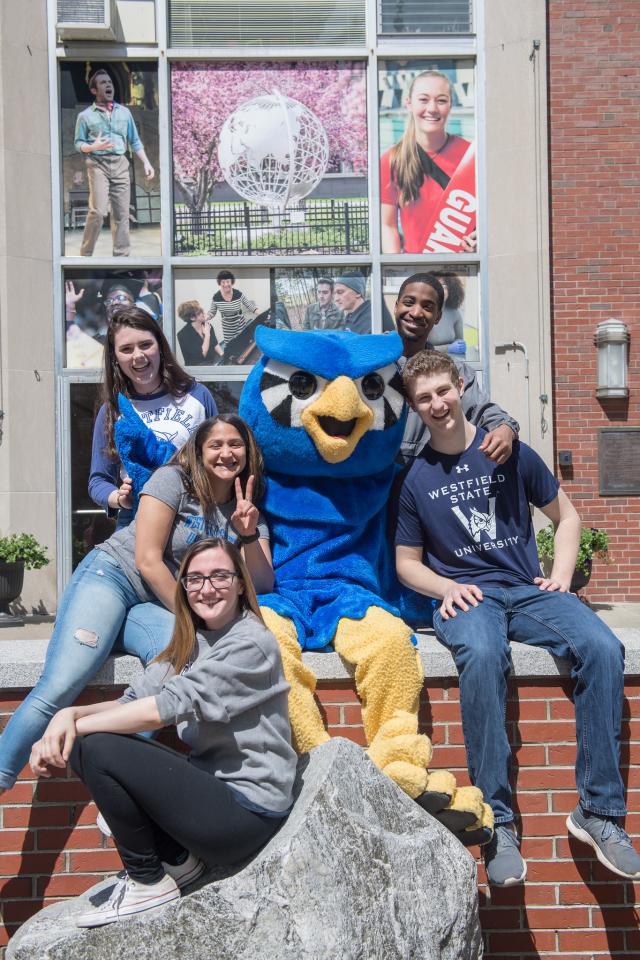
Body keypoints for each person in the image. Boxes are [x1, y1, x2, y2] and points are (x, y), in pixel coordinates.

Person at [395, 350, 640, 886]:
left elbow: (567, 516)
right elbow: (406, 564)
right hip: (467, 599)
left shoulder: (508, 451)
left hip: (527, 590)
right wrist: (447, 587)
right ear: (415, 407)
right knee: (482, 657)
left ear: (461, 385)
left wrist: (563, 575)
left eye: (444, 390)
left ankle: (599, 813)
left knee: (602, 648)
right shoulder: (416, 478)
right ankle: (497, 823)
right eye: (425, 398)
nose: (437, 404)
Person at [0, 413, 273, 796]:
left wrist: (246, 535)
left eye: (235, 445)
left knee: (174, 673)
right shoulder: (174, 480)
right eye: (216, 444)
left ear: (249, 452)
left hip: (153, 605)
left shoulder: (247, 506)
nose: (226, 453)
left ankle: (122, 785)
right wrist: (191, 619)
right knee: (63, 682)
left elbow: (260, 582)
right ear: (199, 450)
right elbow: (146, 559)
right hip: (113, 578)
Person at [29, 537, 295, 927]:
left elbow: (162, 710)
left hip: (248, 812)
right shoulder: (190, 642)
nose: (207, 588)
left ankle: (148, 880)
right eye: (195, 579)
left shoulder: (251, 642)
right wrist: (67, 714)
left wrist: (73, 730)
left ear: (241, 583)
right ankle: (176, 861)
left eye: (220, 575)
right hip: (216, 795)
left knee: (97, 747)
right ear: (183, 588)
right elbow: (133, 700)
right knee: (96, 742)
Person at [89, 306, 217, 529]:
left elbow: (216, 460)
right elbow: (98, 480)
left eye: (146, 344)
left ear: (160, 346)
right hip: (135, 518)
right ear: (115, 357)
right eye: (126, 349)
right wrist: (119, 498)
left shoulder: (197, 396)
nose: (138, 355)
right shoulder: (111, 411)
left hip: (193, 514)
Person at [393, 273, 519, 464]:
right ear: (396, 306)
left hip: (424, 485)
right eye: (409, 302)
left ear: (438, 317)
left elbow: (483, 410)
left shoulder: (453, 371)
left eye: (427, 307)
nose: (416, 312)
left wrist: (505, 428)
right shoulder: (369, 364)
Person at [380, 70, 476, 255]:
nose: (432, 108)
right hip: (416, 276)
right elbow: (387, 226)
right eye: (423, 100)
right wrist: (397, 273)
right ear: (409, 103)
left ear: (450, 105)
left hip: (464, 272)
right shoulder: (391, 160)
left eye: (441, 100)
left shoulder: (472, 156)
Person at [74, 69, 154, 258]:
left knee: (122, 214)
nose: (108, 85)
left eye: (109, 81)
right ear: (94, 90)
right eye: (103, 83)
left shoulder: (124, 113)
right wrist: (92, 147)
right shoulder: (85, 116)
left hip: (120, 163)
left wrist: (147, 163)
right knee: (98, 212)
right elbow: (78, 143)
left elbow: (134, 141)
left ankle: (122, 257)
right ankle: (85, 255)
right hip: (97, 163)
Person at [206, 270, 257, 344]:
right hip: (228, 329)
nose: (226, 284)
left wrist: (263, 314)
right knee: (232, 348)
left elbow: (250, 306)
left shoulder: (238, 294)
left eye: (228, 281)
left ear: (231, 282)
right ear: (220, 283)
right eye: (223, 282)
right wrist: (205, 318)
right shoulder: (216, 297)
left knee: (244, 344)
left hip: (240, 325)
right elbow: (212, 312)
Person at [176, 300, 223, 365]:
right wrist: (207, 335)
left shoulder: (207, 325)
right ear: (192, 318)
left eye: (202, 311)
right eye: (199, 313)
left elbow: (215, 344)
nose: (203, 313)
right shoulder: (183, 334)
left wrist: (224, 356)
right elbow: (202, 355)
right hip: (198, 366)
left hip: (212, 361)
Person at [427, 272, 465, 351]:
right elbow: (420, 349)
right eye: (437, 287)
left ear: (450, 290)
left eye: (444, 287)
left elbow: (459, 339)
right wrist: (449, 348)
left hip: (450, 359)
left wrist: (460, 345)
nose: (441, 290)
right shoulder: (424, 312)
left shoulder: (455, 313)